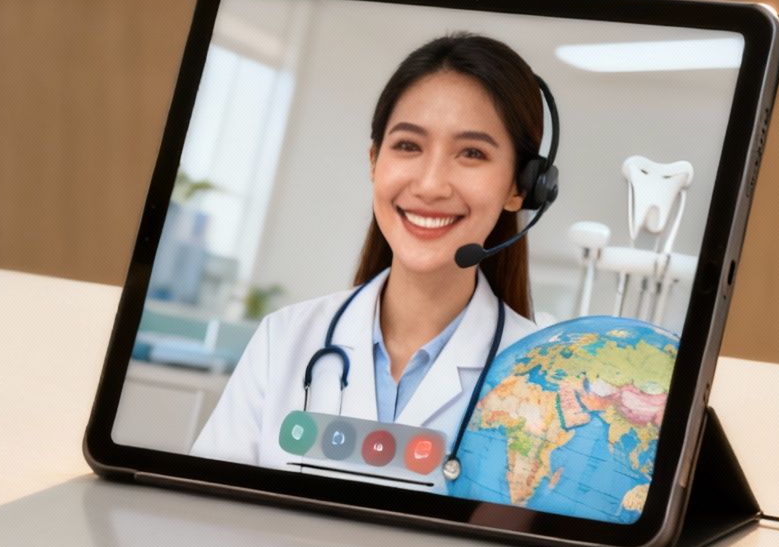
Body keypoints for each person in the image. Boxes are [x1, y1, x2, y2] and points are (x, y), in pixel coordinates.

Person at [191, 33, 543, 481]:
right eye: (408, 146)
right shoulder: (284, 341)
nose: (431, 184)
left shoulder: (543, 384)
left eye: (472, 153)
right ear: (375, 161)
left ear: (519, 187)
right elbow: (204, 518)